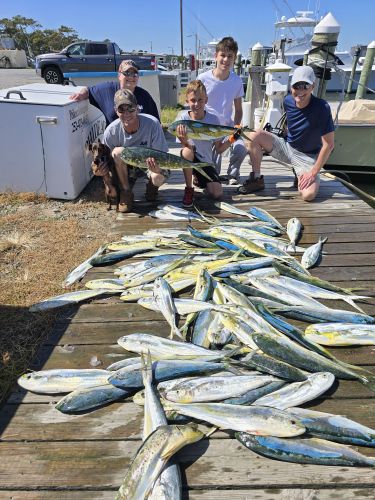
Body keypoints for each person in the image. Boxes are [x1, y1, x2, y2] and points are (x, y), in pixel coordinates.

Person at [238, 66, 335, 202]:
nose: (300, 91)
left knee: (308, 195)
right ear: (291, 87)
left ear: (313, 85)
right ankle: (257, 179)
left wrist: (313, 173)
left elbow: (329, 145)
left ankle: (299, 173)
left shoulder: (322, 107)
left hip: (307, 157)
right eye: (296, 86)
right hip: (288, 148)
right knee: (253, 135)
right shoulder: (288, 101)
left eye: (305, 86)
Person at [176, 80, 240, 208]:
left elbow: (219, 149)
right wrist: (183, 139)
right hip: (189, 158)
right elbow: (184, 147)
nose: (196, 103)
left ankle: (199, 179)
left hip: (205, 162)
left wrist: (233, 137)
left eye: (200, 100)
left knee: (217, 194)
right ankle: (189, 189)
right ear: (187, 101)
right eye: (193, 100)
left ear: (206, 100)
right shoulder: (182, 118)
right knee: (188, 151)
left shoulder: (213, 119)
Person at [103, 89, 169, 213]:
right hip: (126, 169)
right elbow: (105, 162)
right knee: (117, 152)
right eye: (121, 109)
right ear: (116, 111)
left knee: (158, 178)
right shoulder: (110, 132)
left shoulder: (153, 124)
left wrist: (158, 170)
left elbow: (163, 155)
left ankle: (152, 188)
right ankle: (126, 191)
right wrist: (107, 183)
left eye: (131, 108)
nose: (126, 113)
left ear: (137, 108)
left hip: (150, 165)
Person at [197, 36, 247, 185]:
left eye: (230, 56)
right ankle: (203, 173)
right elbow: (196, 105)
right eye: (223, 55)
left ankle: (233, 174)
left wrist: (237, 128)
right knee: (213, 174)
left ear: (234, 59)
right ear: (216, 56)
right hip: (209, 129)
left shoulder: (237, 81)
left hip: (227, 128)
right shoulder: (203, 78)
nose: (226, 60)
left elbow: (238, 109)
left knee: (241, 148)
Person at [69, 60, 159, 125]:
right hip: (114, 144)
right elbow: (88, 90)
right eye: (127, 73)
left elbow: (156, 123)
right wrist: (81, 94)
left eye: (134, 73)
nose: (131, 77)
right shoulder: (107, 90)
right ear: (119, 75)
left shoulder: (145, 96)